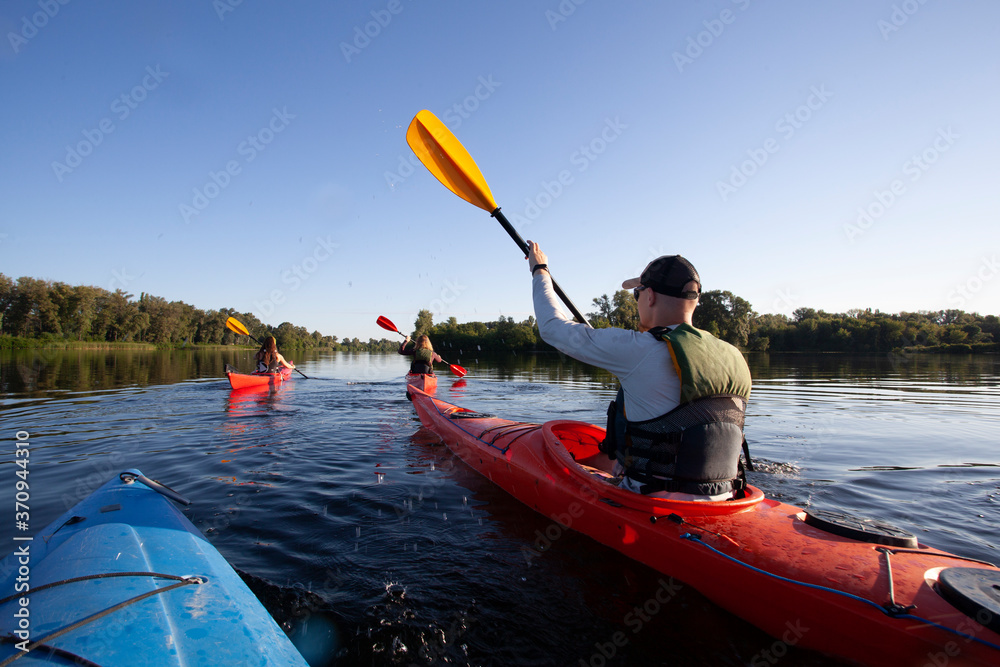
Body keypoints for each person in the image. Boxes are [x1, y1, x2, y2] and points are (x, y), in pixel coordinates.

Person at [526, 241, 752, 501]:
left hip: (651, 500)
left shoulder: (641, 349)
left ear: (651, 296)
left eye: (637, 294)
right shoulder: (734, 355)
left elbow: (552, 327)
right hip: (726, 497)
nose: (637, 301)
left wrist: (540, 269)